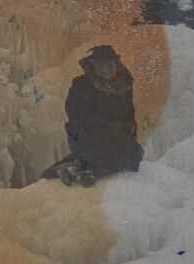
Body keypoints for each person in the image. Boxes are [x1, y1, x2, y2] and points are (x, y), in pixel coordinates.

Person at [41, 45, 143, 186]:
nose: (106, 69)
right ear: (94, 66)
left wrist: (128, 136)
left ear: (116, 64)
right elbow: (76, 119)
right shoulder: (81, 86)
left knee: (134, 155)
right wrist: (108, 129)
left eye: (109, 64)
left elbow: (130, 117)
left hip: (116, 140)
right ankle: (83, 171)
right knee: (102, 155)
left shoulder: (124, 85)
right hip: (87, 138)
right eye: (101, 65)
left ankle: (77, 169)